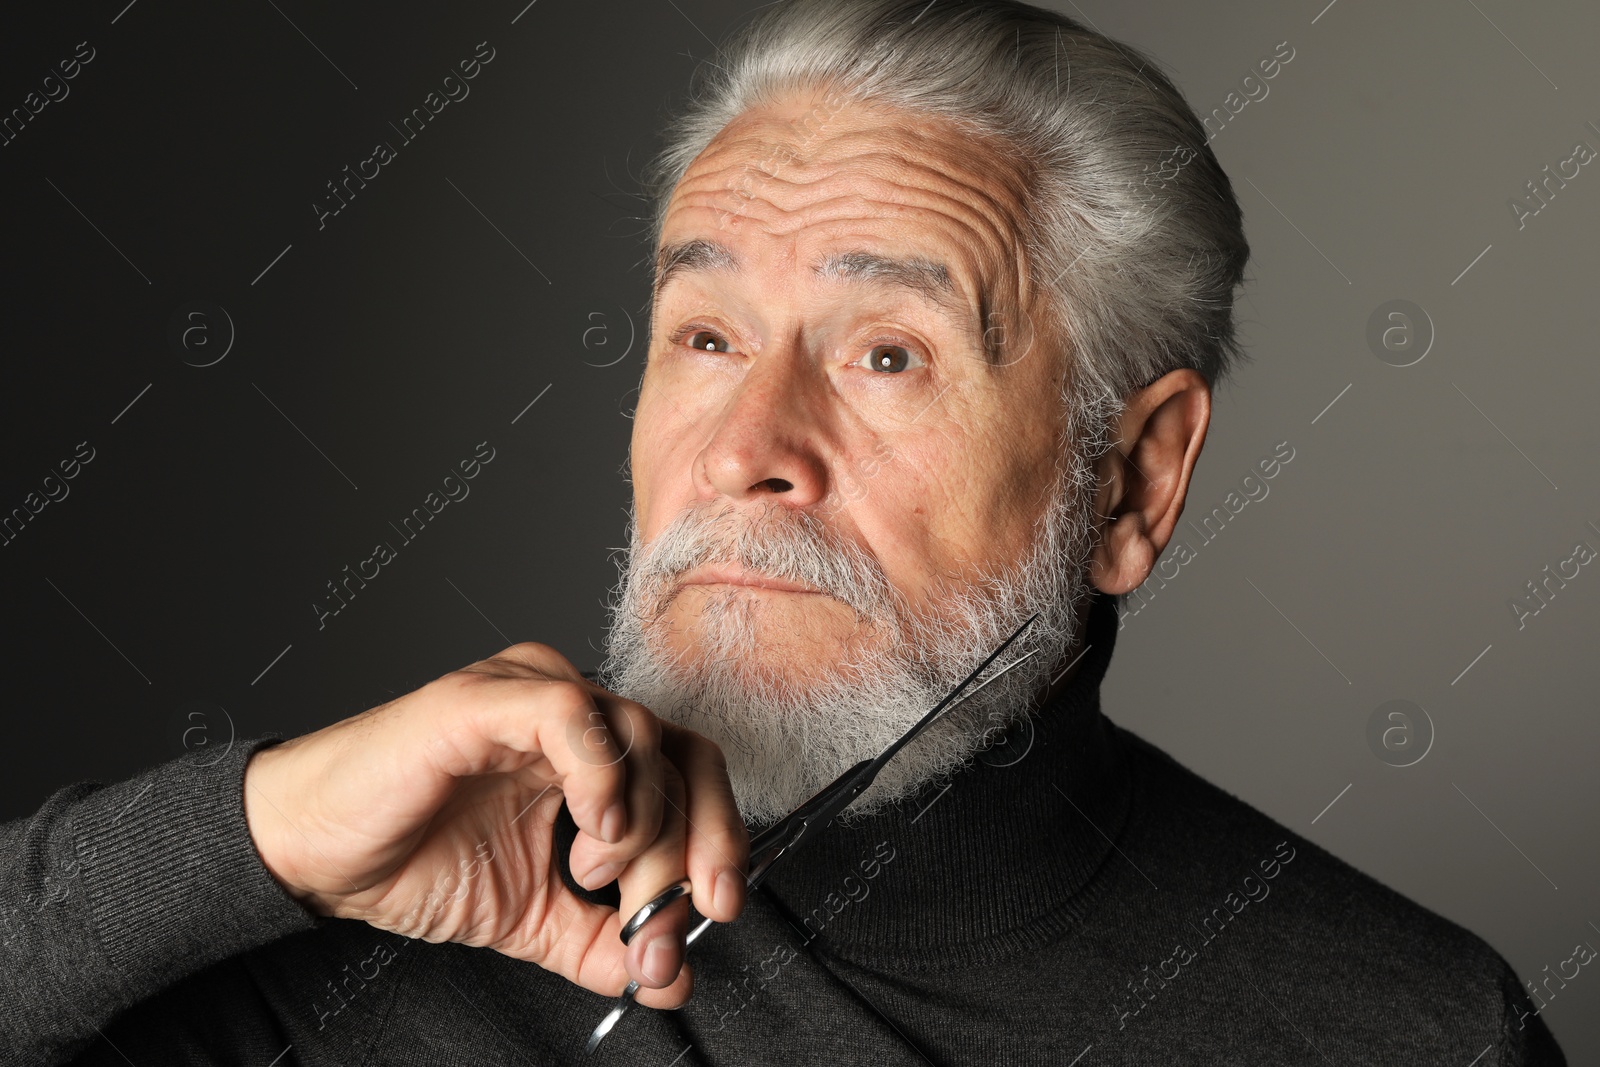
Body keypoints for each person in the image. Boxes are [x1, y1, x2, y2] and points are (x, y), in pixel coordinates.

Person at [0, 0, 1567, 1063]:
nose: (748, 450)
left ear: (1134, 481)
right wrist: (252, 832)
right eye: (704, 337)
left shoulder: (1410, 1028)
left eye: (889, 354)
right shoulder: (351, 913)